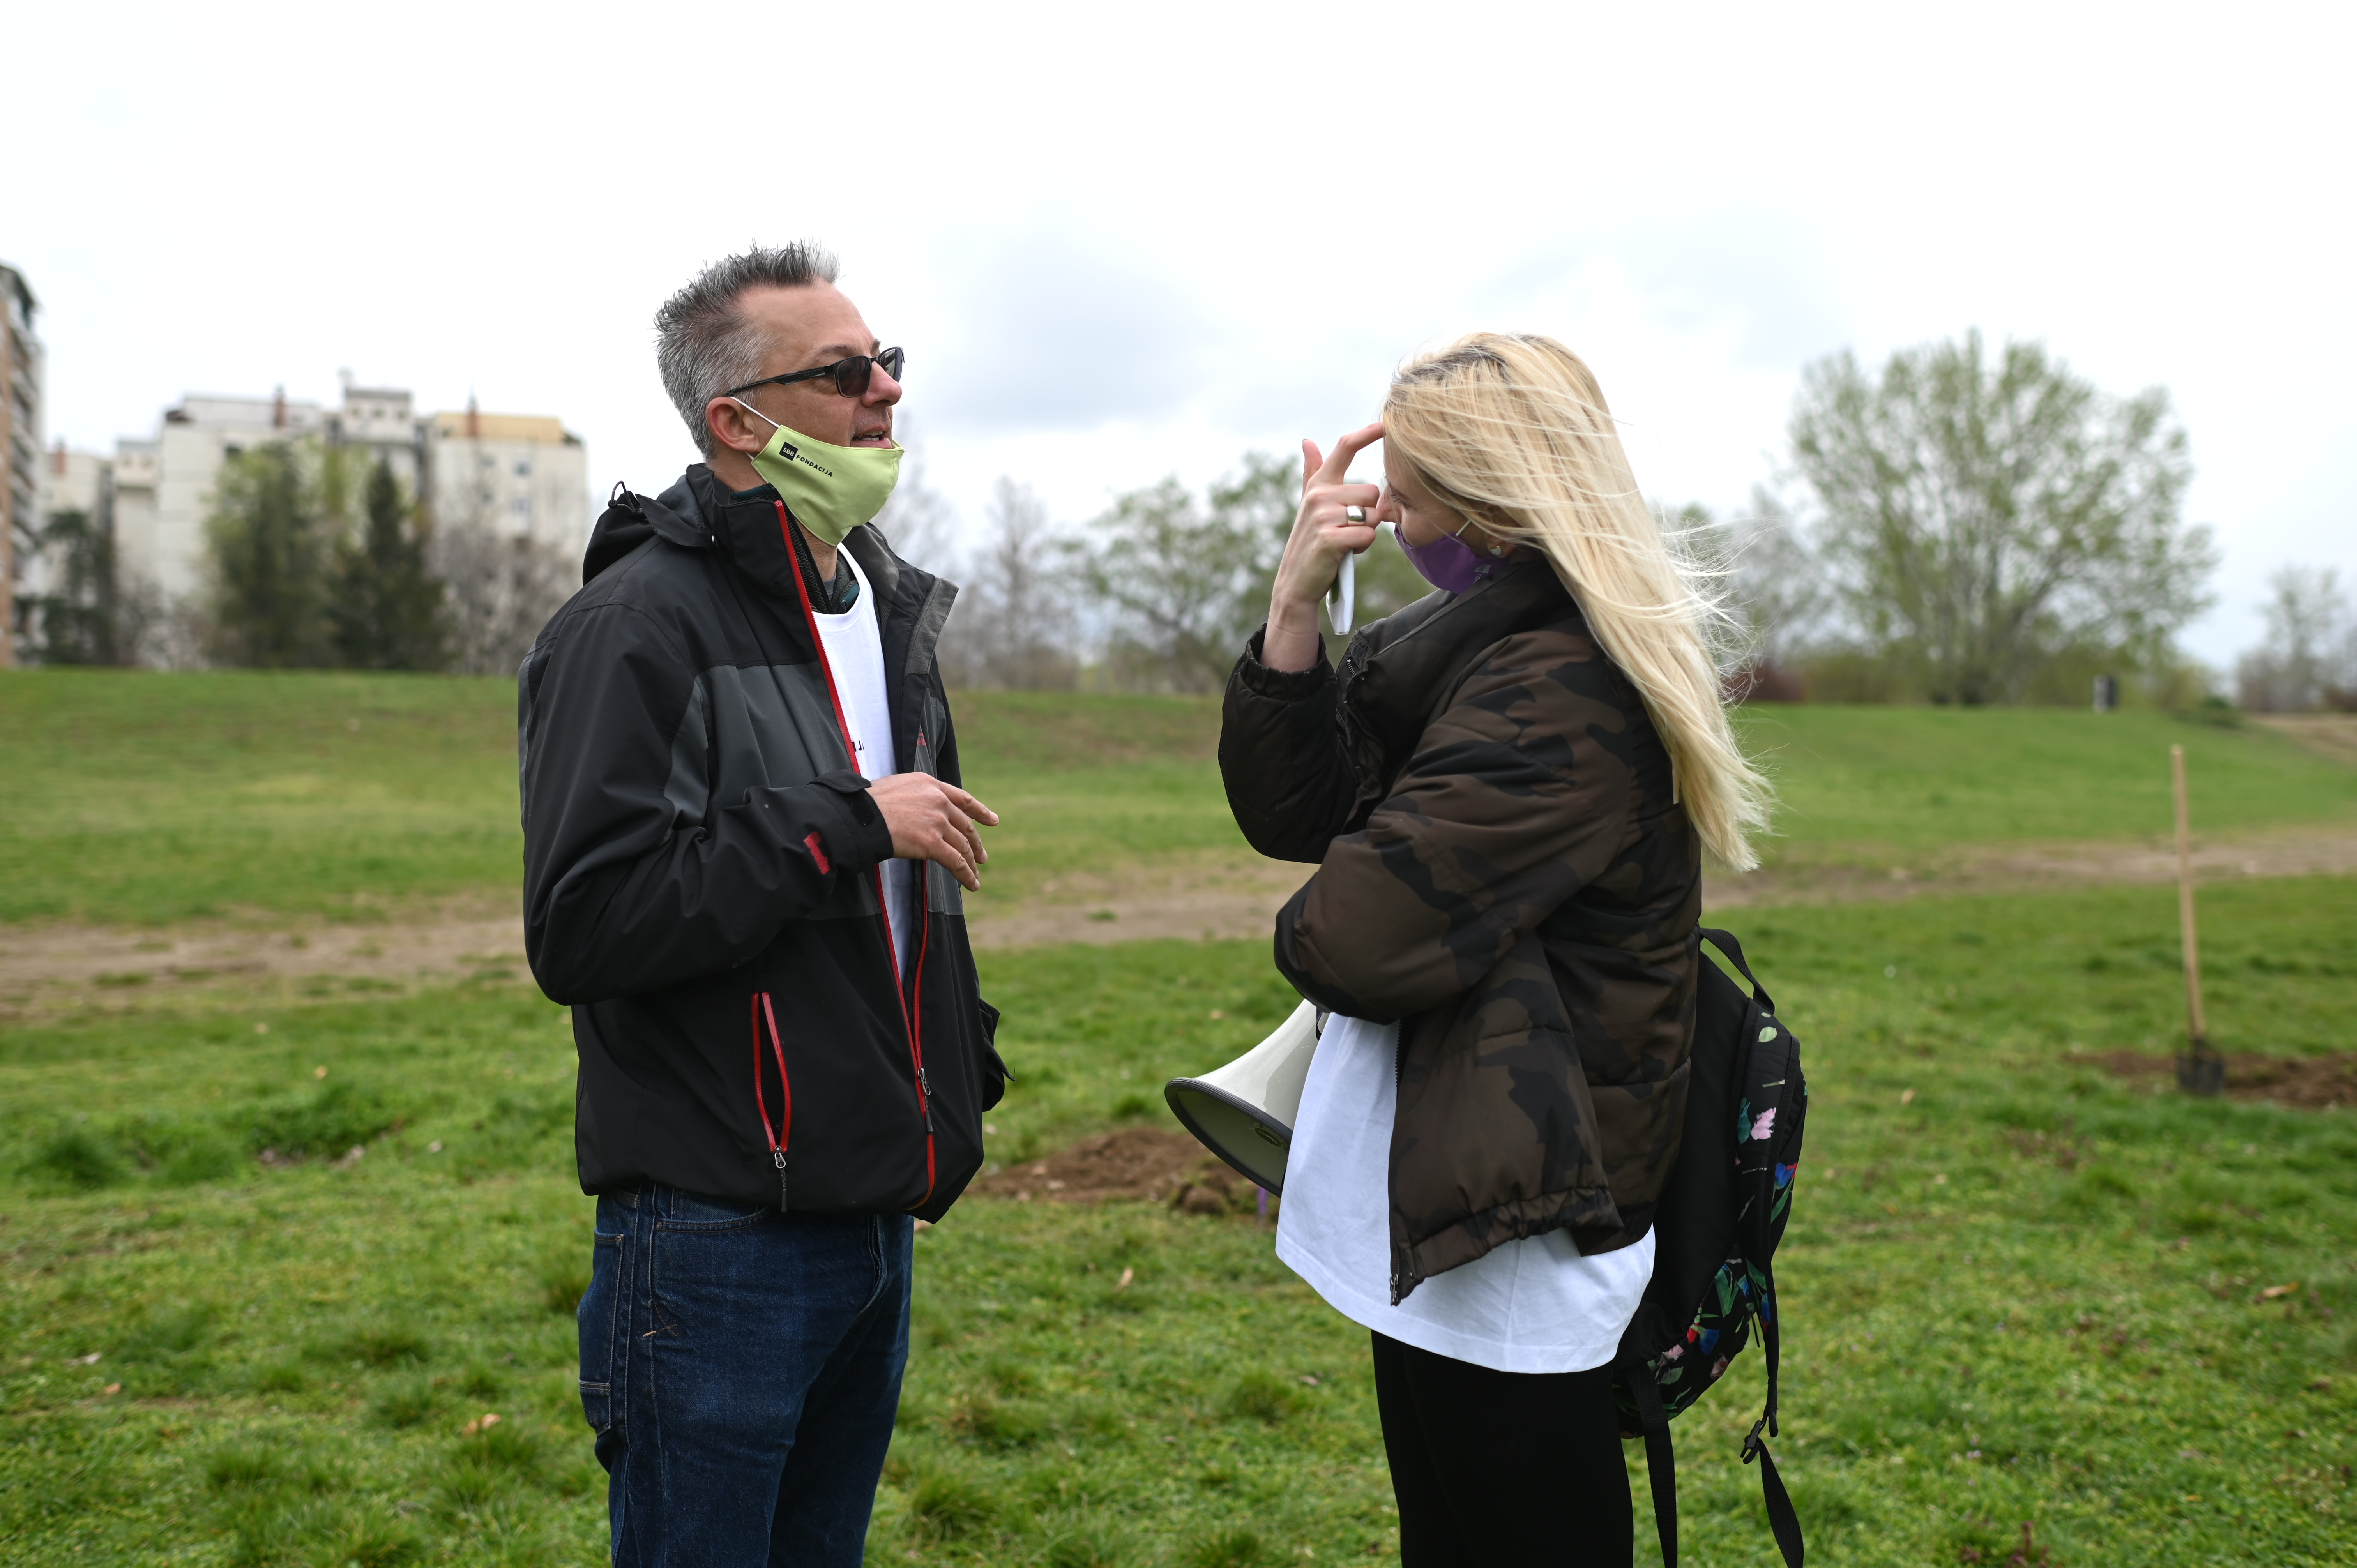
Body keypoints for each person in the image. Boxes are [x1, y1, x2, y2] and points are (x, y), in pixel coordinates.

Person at [1219, 334, 1769, 1566]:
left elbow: (1347, 935)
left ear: (1490, 509)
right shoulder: (1478, 658)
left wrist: (1357, 865)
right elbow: (1294, 816)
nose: (1392, 520)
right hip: (1463, 1185)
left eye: (1406, 499)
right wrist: (1295, 608)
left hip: (1521, 1214)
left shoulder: (1558, 689)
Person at [518, 242, 1009, 1568]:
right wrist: (844, 822)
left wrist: (961, 1055)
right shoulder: (632, 628)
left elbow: (895, 912)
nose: (887, 395)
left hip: (870, 1206)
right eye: (846, 373)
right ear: (738, 421)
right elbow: (585, 927)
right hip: (715, 1234)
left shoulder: (882, 607)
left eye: (888, 362)